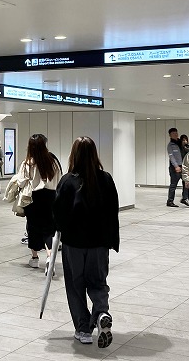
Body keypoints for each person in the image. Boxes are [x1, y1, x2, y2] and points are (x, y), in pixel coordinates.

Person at [53, 136, 120, 348]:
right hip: (99, 244)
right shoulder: (106, 179)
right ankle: (101, 313)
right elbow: (113, 211)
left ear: (74, 154)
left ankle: (83, 329)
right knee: (98, 282)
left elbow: (58, 214)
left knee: (75, 286)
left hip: (74, 244)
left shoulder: (67, 181)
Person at [17, 133, 61, 273]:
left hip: (33, 199)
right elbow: (59, 179)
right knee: (49, 228)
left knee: (33, 227)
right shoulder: (52, 161)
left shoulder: (27, 163)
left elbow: (20, 181)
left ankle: (35, 258)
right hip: (50, 197)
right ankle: (49, 257)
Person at [166, 128, 189, 207]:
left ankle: (185, 198)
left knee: (186, 183)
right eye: (173, 134)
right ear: (170, 135)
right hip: (175, 168)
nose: (175, 135)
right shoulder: (170, 145)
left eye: (176, 133)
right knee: (173, 185)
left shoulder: (181, 143)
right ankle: (170, 201)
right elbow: (171, 157)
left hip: (183, 166)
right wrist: (176, 166)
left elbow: (187, 151)